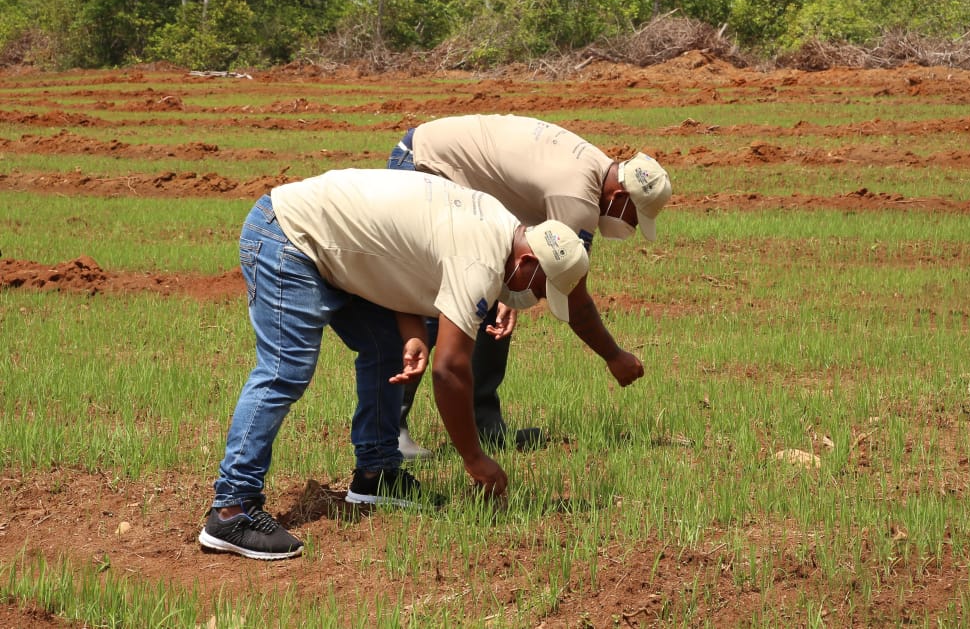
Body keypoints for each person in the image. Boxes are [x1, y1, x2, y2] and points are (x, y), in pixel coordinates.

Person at [197, 168, 590, 560]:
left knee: (386, 346)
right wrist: (475, 459)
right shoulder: (482, 262)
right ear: (526, 262)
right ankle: (232, 509)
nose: (535, 296)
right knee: (284, 370)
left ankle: (376, 473)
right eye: (541, 287)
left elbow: (402, 258)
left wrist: (413, 330)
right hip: (290, 236)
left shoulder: (500, 225)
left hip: (332, 242)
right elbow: (449, 371)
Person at [387, 114, 672, 458]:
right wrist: (614, 356)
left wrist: (510, 292)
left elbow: (530, 251)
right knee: (439, 298)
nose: (631, 225)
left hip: (444, 164)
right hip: (425, 166)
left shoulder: (596, 167)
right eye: (633, 216)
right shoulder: (578, 197)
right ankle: (390, 432)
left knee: (491, 289)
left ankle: (485, 425)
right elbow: (572, 295)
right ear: (621, 195)